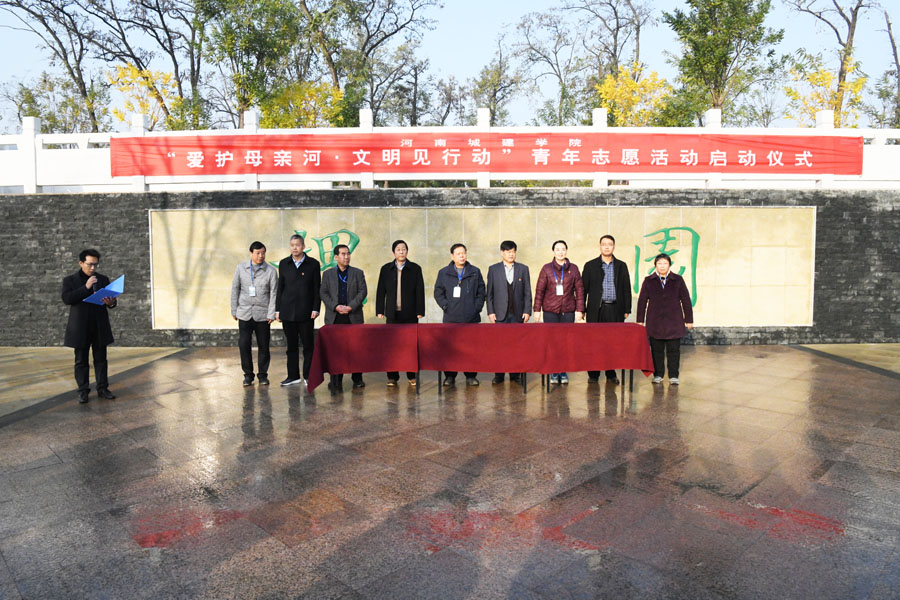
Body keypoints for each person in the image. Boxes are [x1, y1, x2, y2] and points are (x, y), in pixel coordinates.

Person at [61, 249, 118, 404]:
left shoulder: (103, 279)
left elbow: (111, 301)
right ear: (81, 263)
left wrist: (111, 302)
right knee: (81, 361)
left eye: (96, 264)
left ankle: (103, 389)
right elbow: (67, 299)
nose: (93, 268)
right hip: (80, 326)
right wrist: (85, 287)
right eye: (90, 264)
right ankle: (83, 391)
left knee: (101, 360)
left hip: (99, 325)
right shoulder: (70, 280)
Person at [636, 253, 694, 385]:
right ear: (655, 265)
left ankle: (673, 375)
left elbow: (685, 300)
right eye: (659, 263)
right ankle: (658, 374)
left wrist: (689, 319)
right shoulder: (648, 281)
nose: (662, 266)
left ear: (669, 265)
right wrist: (640, 320)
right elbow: (642, 301)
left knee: (674, 350)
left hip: (674, 321)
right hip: (655, 321)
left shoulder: (678, 280)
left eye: (665, 263)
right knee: (656, 350)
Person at [582, 234, 632, 384]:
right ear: (600, 246)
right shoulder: (590, 265)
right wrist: (581, 309)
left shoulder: (621, 266)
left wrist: (627, 308)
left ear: (614, 247)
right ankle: (593, 374)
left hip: (615, 308)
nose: (606, 247)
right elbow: (583, 290)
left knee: (613, 343)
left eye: (609, 244)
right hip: (596, 310)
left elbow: (626, 288)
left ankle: (611, 373)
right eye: (604, 244)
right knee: (594, 342)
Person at [533, 240, 584, 385]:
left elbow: (580, 290)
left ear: (566, 251)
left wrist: (580, 310)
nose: (560, 252)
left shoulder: (573, 269)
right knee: (552, 342)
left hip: (568, 311)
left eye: (563, 249)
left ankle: (563, 371)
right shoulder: (546, 269)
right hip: (550, 311)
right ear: (553, 251)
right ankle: (554, 371)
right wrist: (537, 309)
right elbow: (540, 290)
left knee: (566, 343)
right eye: (557, 249)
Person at [434, 243, 485, 386]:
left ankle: (471, 376)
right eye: (458, 254)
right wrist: (446, 306)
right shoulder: (444, 272)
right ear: (452, 256)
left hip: (471, 317)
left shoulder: (475, 271)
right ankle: (450, 376)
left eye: (463, 253)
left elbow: (481, 292)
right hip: (451, 317)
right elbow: (438, 292)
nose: (462, 256)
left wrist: (477, 308)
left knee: (471, 348)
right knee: (450, 348)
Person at [375, 240, 425, 387]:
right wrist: (380, 310)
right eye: (398, 249)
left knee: (411, 346)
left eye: (404, 249)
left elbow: (420, 290)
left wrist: (420, 310)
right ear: (393, 252)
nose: (401, 252)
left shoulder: (415, 268)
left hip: (410, 314)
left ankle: (412, 375)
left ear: (407, 251)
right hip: (392, 314)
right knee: (391, 346)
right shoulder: (386, 269)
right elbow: (381, 290)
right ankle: (392, 376)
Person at [320, 244, 368, 391]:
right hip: (335, 317)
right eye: (343, 254)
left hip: (353, 316)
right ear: (336, 257)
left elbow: (362, 291)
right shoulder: (327, 274)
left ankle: (357, 378)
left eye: (348, 254)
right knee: (335, 350)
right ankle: (336, 379)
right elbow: (323, 293)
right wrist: (335, 306)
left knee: (356, 348)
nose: (346, 257)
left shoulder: (357, 273)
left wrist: (351, 306)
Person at [275, 234, 321, 386]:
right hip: (287, 312)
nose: (294, 248)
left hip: (306, 312)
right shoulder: (284, 263)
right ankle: (293, 376)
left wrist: (316, 308)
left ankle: (308, 375)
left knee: (308, 346)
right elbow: (280, 288)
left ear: (303, 246)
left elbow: (317, 288)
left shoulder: (313, 264)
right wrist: (277, 310)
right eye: (292, 245)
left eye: (297, 245)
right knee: (291, 346)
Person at [231, 241, 277, 387]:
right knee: (244, 344)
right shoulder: (241, 268)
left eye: (263, 253)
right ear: (251, 253)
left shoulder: (271, 271)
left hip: (263, 315)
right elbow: (235, 289)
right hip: (244, 313)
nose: (261, 256)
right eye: (257, 253)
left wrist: (271, 313)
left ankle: (263, 375)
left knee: (264, 345)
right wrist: (234, 309)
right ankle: (248, 375)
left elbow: (274, 293)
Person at [486, 240, 532, 384]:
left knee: (517, 345)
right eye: (507, 252)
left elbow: (527, 292)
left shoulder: (523, 269)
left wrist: (527, 310)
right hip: (500, 314)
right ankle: (499, 375)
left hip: (517, 314)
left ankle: (515, 375)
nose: (511, 254)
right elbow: (489, 293)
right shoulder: (493, 269)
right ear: (502, 253)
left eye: (513, 251)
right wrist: (491, 312)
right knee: (499, 345)